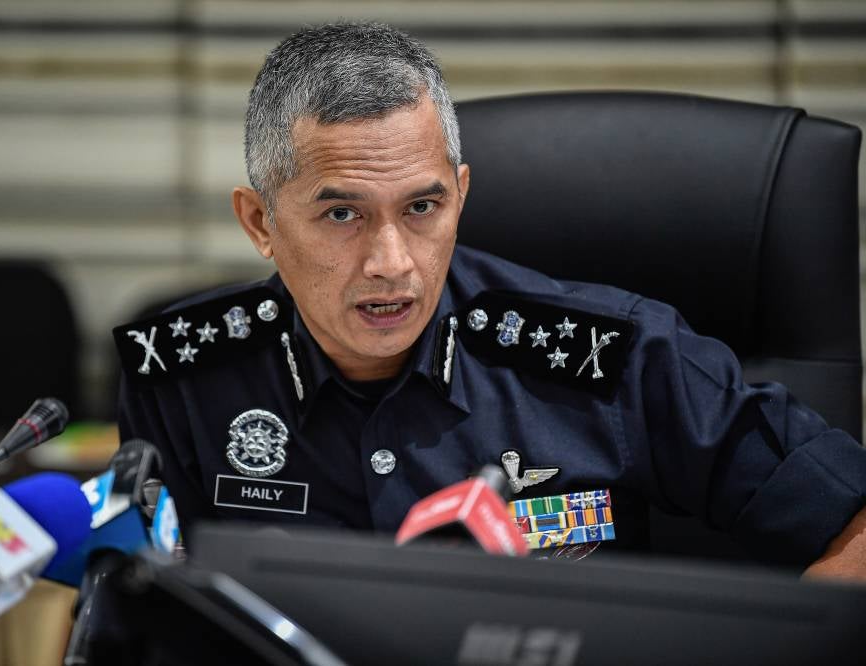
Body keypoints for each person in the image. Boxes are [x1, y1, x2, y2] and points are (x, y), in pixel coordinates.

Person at [115, 21, 866, 578]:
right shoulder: (181, 375)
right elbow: (138, 606)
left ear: (461, 195)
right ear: (261, 224)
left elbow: (849, 515)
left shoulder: (610, 357)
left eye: (422, 207)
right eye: (342, 214)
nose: (391, 263)